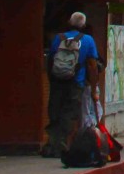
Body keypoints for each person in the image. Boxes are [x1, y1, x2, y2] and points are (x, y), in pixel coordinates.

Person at [42, 12, 100, 158]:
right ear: (84, 25)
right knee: (69, 115)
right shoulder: (88, 40)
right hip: (76, 83)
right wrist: (94, 89)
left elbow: (50, 61)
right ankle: (61, 147)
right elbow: (93, 66)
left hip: (57, 82)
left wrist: (52, 79)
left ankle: (52, 144)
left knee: (55, 112)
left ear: (69, 22)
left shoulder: (58, 38)